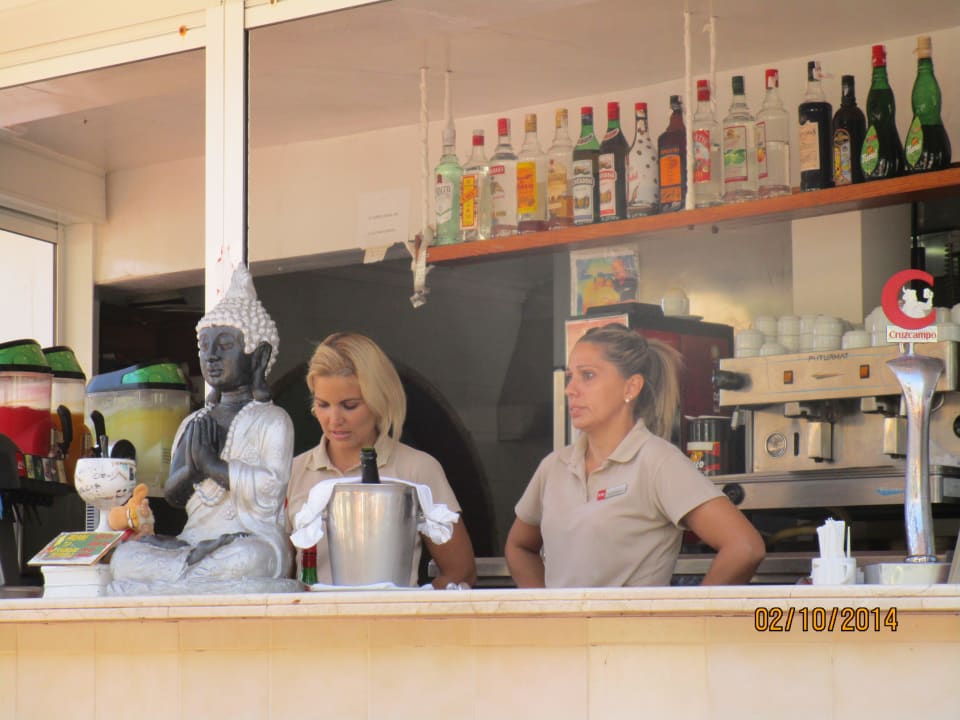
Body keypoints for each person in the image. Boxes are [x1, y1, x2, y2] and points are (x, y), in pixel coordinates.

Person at [505, 323, 764, 588]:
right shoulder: (553, 467)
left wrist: (691, 613)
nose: (570, 389)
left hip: (634, 618)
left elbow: (745, 547)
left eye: (588, 375)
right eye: (570, 377)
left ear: (631, 387)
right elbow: (519, 547)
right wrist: (544, 608)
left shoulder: (658, 462)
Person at [108, 265, 299, 594]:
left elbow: (271, 488)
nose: (211, 356)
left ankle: (180, 580)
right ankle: (192, 574)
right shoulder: (193, 421)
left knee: (252, 559)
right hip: (194, 541)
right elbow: (175, 494)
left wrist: (212, 465)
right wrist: (193, 469)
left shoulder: (273, 420)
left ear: (259, 357)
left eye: (225, 345)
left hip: (249, 539)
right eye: (205, 346)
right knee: (124, 558)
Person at [286, 332, 477, 588]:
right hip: (310, 615)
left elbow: (461, 573)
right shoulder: (292, 472)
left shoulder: (418, 468)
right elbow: (276, 576)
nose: (334, 419)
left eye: (350, 405)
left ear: (379, 400)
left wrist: (414, 606)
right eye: (323, 404)